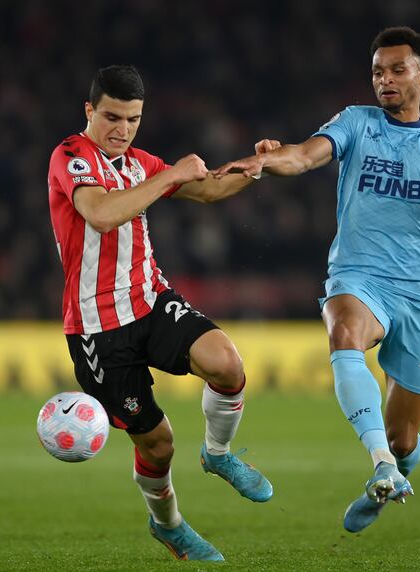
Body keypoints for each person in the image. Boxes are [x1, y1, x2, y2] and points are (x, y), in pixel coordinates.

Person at [213, 26, 420, 533]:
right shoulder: (357, 122)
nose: (385, 79)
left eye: (397, 69)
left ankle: (393, 468)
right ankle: (381, 464)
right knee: (344, 330)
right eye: (378, 71)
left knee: (405, 437)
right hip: (360, 276)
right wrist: (262, 161)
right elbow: (302, 154)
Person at [47, 65, 273, 562]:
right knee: (159, 445)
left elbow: (209, 188)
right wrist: (170, 173)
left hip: (150, 301)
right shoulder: (71, 157)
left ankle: (217, 454)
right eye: (111, 117)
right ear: (89, 111)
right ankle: (168, 525)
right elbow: (102, 215)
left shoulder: (137, 161)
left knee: (227, 364)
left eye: (133, 120)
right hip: (98, 330)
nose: (122, 130)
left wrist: (256, 166)